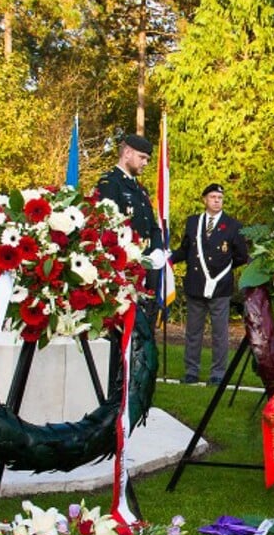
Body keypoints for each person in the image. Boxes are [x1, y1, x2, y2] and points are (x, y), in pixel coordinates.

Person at [177, 183, 248, 385]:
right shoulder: (193, 223)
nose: (217, 200)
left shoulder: (233, 225)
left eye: (220, 197)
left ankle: (218, 374)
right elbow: (185, 250)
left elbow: (241, 256)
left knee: (219, 333)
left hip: (220, 287)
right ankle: (191, 371)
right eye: (213, 197)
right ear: (205, 200)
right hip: (196, 283)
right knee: (193, 332)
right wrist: (168, 259)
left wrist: (222, 271)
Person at [95, 134, 164, 301]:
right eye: (142, 157)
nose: (146, 163)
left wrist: (157, 250)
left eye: (147, 159)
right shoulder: (110, 183)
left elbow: (151, 225)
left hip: (146, 265)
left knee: (147, 320)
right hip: (124, 267)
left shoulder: (140, 189)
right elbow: (109, 227)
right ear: (127, 153)